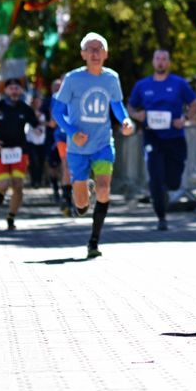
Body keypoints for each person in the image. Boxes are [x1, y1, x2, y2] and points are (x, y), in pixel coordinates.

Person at [51, 32, 135, 259]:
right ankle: (82, 191)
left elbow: (117, 106)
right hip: (77, 148)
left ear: (106, 54)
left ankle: (94, 241)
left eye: (100, 49)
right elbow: (57, 111)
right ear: (83, 54)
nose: (95, 53)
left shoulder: (111, 78)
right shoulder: (72, 79)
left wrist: (126, 121)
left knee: (104, 189)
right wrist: (72, 133)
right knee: (80, 206)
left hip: (102, 144)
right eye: (91, 48)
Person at [127, 49, 196, 231]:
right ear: (153, 62)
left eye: (164, 59)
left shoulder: (179, 83)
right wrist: (137, 115)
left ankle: (166, 190)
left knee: (173, 181)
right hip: (152, 137)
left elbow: (194, 103)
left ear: (168, 62)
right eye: (157, 58)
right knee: (155, 177)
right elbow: (131, 106)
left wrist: (184, 119)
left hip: (174, 137)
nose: (160, 62)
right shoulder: (142, 85)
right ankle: (161, 216)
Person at [0, 79, 42, 230]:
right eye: (11, 88)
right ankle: (0, 192)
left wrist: (38, 129)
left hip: (19, 151)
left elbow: (35, 124)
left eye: (17, 88)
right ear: (5, 91)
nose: (14, 91)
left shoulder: (25, 108)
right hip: (0, 150)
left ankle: (11, 216)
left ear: (21, 91)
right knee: (3, 184)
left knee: (18, 185)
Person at [25, 94, 47, 188]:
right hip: (31, 141)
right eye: (35, 102)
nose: (37, 103)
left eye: (39, 102)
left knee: (41, 162)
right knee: (33, 161)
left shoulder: (45, 112)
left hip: (42, 141)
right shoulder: (28, 112)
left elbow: (50, 123)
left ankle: (39, 180)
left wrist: (41, 122)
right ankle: (33, 181)